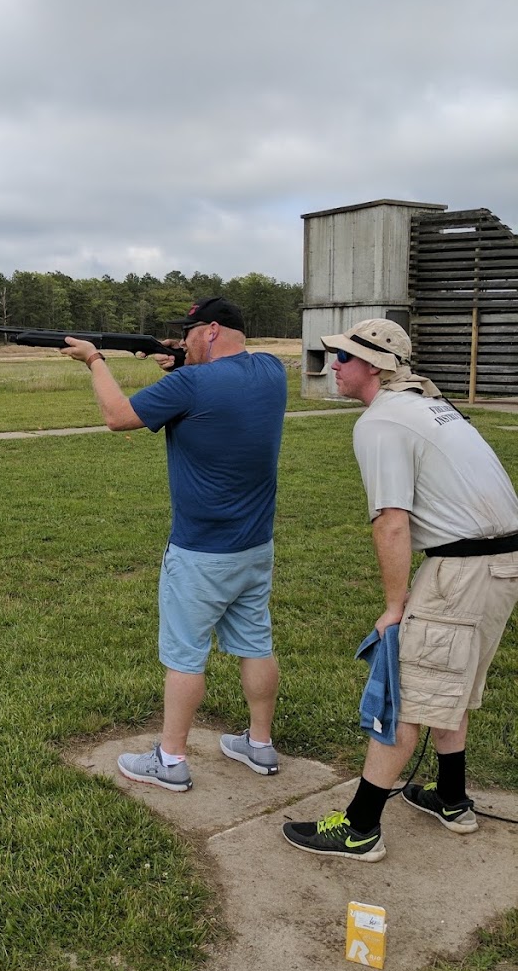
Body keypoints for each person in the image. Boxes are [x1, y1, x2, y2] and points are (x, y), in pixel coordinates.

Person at [283, 318, 518, 862]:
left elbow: (392, 520)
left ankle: (360, 828)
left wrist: (395, 605)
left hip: (464, 570)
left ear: (375, 366)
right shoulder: (426, 405)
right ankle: (452, 798)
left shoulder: (382, 420)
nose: (331, 367)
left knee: (407, 694)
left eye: (342, 358)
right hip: (499, 563)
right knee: (449, 684)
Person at [61, 296, 287, 791]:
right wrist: (181, 361)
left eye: (187, 334)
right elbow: (216, 385)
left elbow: (118, 417)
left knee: (184, 655)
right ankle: (261, 744)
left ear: (209, 330)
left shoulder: (191, 383)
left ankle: (171, 758)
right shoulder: (272, 371)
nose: (180, 341)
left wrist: (94, 360)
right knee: (255, 643)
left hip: (200, 549)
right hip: (255, 546)